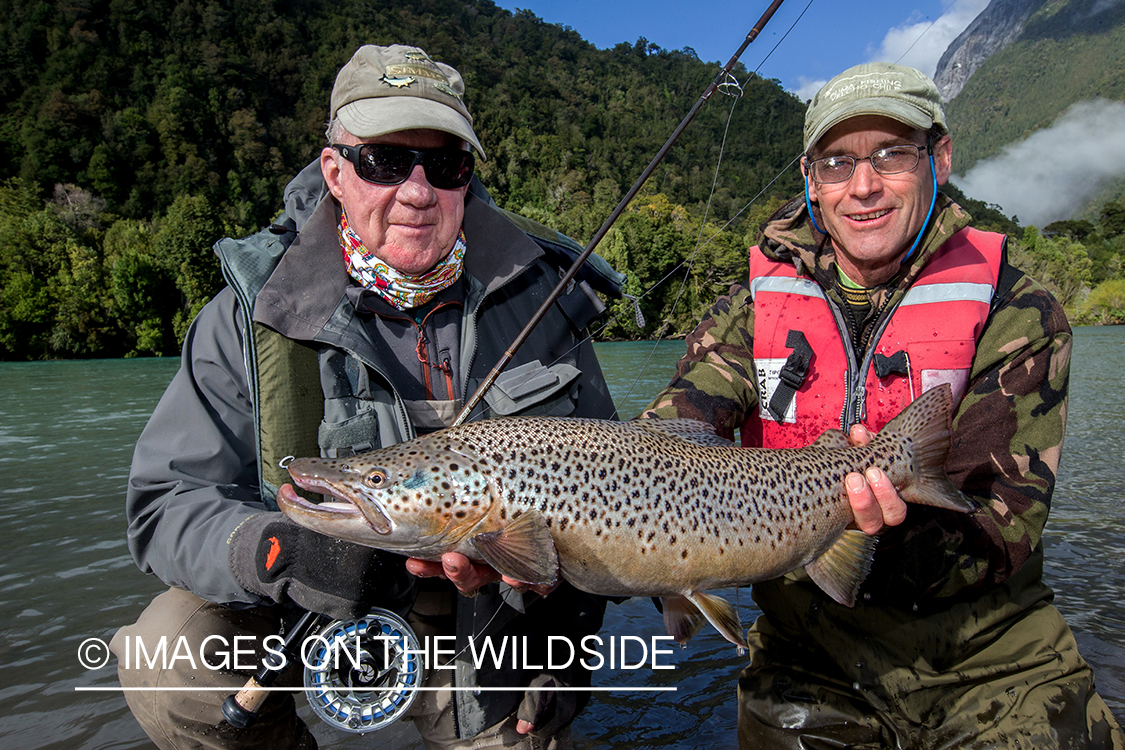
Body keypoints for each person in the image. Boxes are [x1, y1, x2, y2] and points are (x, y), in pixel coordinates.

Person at [111, 44, 618, 750]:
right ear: (334, 172)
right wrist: (272, 551)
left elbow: (621, 505)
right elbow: (165, 504)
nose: (416, 191)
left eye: (443, 166)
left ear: (465, 178)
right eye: (383, 161)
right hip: (302, 606)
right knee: (163, 652)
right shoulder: (247, 315)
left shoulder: (544, 299)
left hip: (489, 611)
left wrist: (565, 650)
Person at [641, 62, 1125, 748]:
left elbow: (1003, 530)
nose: (862, 185)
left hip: (988, 658)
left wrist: (870, 530)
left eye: (890, 154)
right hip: (804, 657)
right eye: (836, 163)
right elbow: (677, 426)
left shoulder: (1016, 311)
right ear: (809, 178)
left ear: (940, 158)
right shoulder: (749, 308)